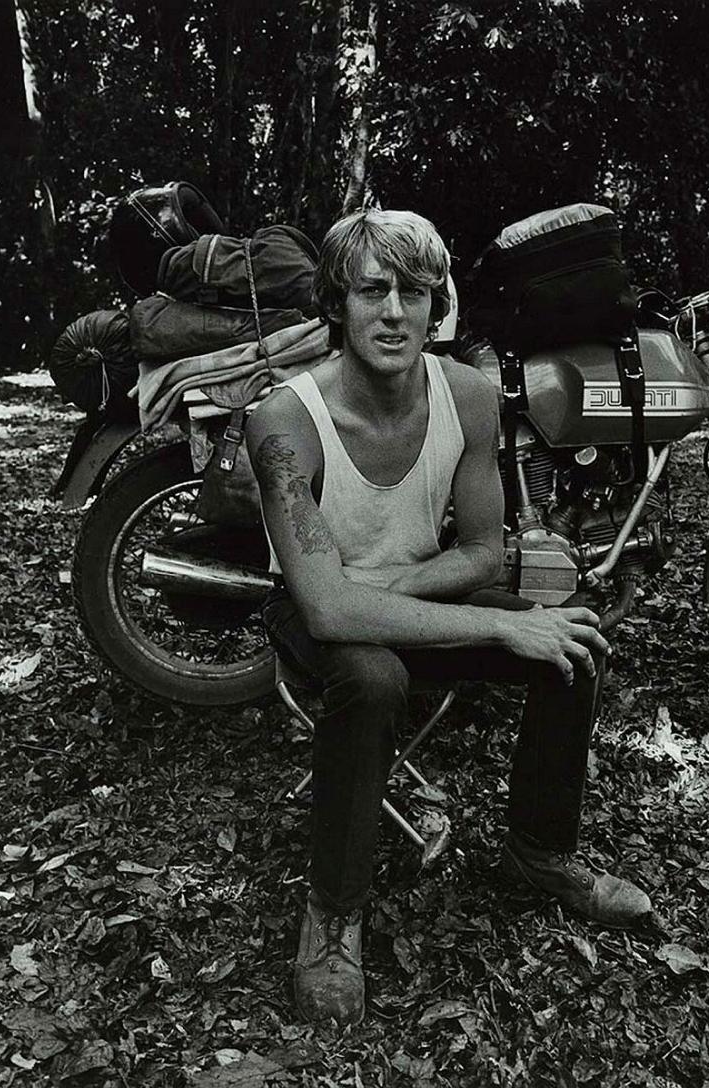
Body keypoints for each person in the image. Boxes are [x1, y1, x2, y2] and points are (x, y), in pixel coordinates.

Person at [246, 209, 651, 1027]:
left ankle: (541, 854)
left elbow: (482, 555)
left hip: (419, 587)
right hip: (313, 611)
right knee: (371, 674)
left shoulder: (467, 395)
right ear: (337, 303)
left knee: (573, 640)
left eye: (415, 291)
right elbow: (326, 607)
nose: (393, 311)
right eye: (372, 290)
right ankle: (333, 913)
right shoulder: (283, 421)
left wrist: (444, 601)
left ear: (439, 306)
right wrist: (501, 625)